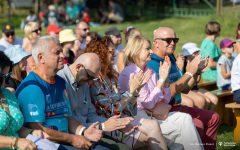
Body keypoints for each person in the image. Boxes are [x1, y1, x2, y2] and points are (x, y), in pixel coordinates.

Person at [15, 36, 106, 150]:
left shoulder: (60, 82)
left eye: (61, 52)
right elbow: (37, 129)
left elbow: (67, 117)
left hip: (65, 141)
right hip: (46, 144)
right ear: (41, 57)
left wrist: (84, 131)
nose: (62, 56)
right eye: (57, 52)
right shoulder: (32, 87)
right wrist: (72, 139)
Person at [119, 35, 203, 150]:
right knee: (179, 131)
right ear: (136, 51)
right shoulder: (129, 73)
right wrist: (161, 81)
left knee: (185, 118)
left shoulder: (150, 70)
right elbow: (147, 104)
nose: (151, 51)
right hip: (138, 116)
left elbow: (165, 100)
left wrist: (166, 81)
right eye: (147, 49)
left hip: (154, 112)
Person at [86, 36, 168, 150]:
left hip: (122, 120)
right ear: (100, 53)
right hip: (108, 126)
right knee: (152, 134)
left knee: (153, 129)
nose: (115, 54)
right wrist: (130, 91)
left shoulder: (112, 77)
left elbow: (129, 110)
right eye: (111, 51)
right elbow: (111, 112)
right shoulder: (95, 82)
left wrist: (137, 89)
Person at [147, 27, 220, 150]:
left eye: (175, 40)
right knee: (198, 125)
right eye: (168, 40)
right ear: (156, 42)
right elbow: (167, 93)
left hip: (177, 106)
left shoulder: (169, 58)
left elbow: (185, 89)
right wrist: (189, 73)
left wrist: (196, 71)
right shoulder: (151, 63)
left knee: (213, 117)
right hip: (162, 111)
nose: (173, 43)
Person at [57, 53, 138, 150]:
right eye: (90, 77)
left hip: (88, 132)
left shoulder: (84, 82)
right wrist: (103, 126)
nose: (91, 82)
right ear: (79, 67)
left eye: (93, 78)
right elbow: (68, 122)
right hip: (74, 136)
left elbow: (91, 115)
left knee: (126, 148)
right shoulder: (60, 80)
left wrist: (117, 124)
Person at [0, 51, 49, 150]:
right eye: (2, 77)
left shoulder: (7, 94)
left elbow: (14, 128)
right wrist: (15, 142)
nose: (5, 81)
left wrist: (32, 132)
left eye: (7, 75)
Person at [179, 43, 218, 111]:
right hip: (188, 88)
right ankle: (202, 120)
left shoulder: (197, 62)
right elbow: (183, 81)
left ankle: (209, 120)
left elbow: (197, 81)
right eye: (194, 52)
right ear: (187, 55)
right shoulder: (183, 64)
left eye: (197, 52)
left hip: (195, 87)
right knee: (206, 101)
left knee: (215, 99)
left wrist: (199, 71)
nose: (197, 54)